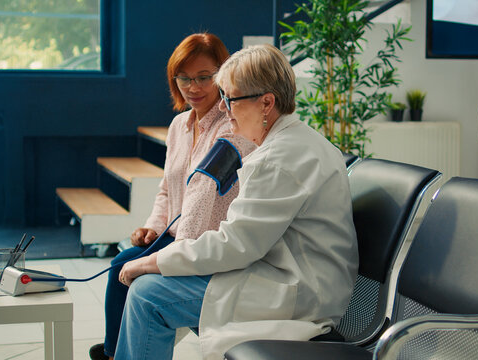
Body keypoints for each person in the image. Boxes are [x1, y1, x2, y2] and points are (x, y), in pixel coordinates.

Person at [114, 44, 358, 360]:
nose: (225, 111)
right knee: (151, 286)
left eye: (230, 99)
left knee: (148, 296)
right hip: (292, 277)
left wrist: (151, 262)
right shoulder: (298, 141)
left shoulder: (278, 158)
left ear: (266, 103)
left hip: (297, 293)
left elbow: (236, 245)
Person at [89, 33, 256, 360]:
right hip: (175, 234)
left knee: (124, 266)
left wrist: (170, 256)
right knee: (121, 262)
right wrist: (152, 228)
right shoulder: (179, 125)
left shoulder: (230, 126)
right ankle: (114, 352)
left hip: (204, 240)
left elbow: (203, 193)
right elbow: (167, 187)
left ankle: (113, 353)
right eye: (184, 78)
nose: (193, 87)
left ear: (222, 76)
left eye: (204, 78)